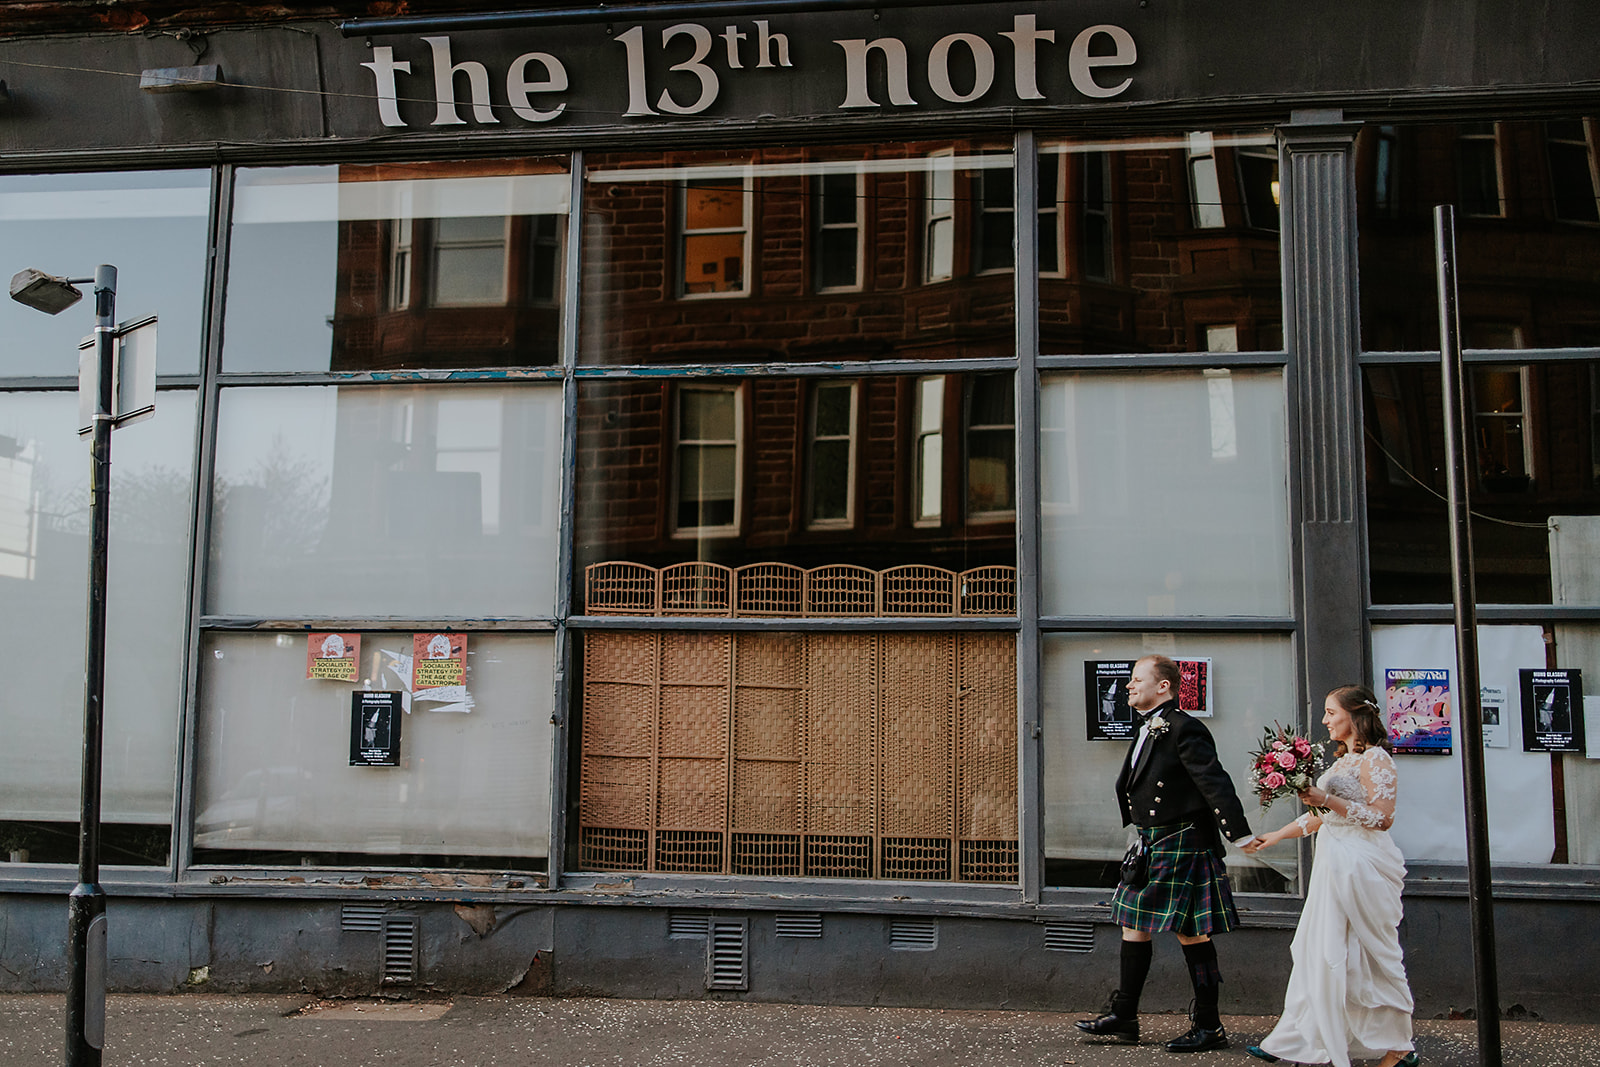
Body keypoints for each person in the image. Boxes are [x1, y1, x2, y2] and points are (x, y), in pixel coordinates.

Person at [1076, 654, 1257, 1053]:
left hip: (1182, 844)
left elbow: (1215, 782)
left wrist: (1239, 834)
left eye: (1137, 679)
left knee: (1191, 933)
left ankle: (1209, 1025)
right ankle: (1125, 1015)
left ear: (1164, 686)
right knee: (1132, 924)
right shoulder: (1148, 728)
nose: (1128, 685)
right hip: (1152, 843)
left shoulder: (1183, 728)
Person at [1241, 685, 1418, 1067]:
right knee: (1319, 949)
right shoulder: (1340, 764)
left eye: (1330, 712)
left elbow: (1382, 818)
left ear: (1355, 715)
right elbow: (1322, 817)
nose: (1324, 720)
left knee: (1374, 953)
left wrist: (1326, 799)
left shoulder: (1377, 760)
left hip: (1363, 865)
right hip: (1332, 863)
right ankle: (1295, 1039)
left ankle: (1400, 1047)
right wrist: (1276, 836)